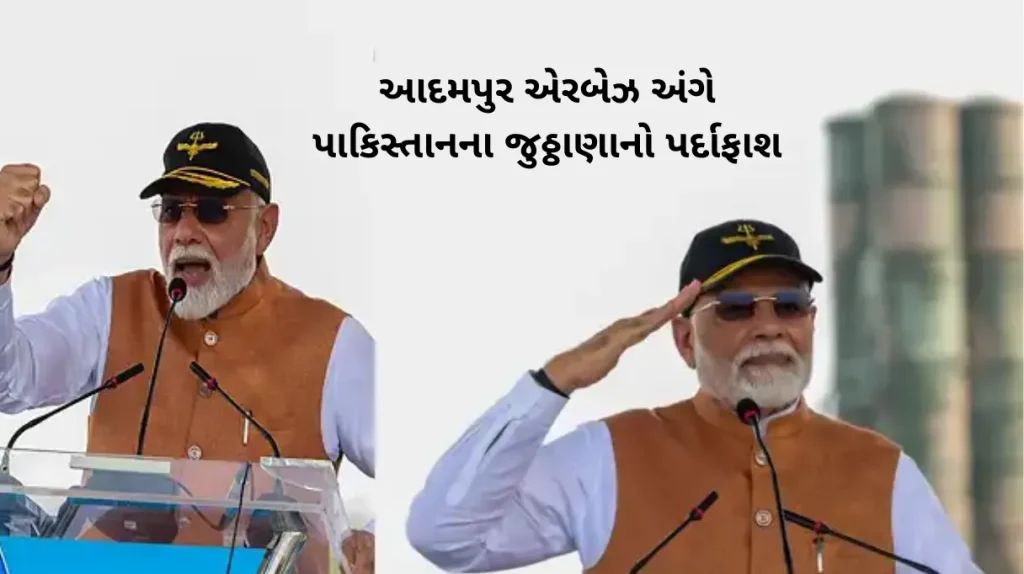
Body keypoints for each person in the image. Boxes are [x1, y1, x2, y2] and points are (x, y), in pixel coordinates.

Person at [405, 219, 980, 574]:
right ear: (684, 339)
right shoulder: (611, 456)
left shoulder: (881, 470)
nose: (769, 326)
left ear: (810, 322)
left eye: (787, 306)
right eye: (735, 309)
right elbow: (446, 537)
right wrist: (554, 383)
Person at [0, 122, 374, 573]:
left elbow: (424, 460)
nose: (185, 231)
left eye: (212, 211)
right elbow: (10, 381)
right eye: (173, 211)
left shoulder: (334, 342)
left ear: (266, 227)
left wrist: (376, 538)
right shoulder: (107, 309)